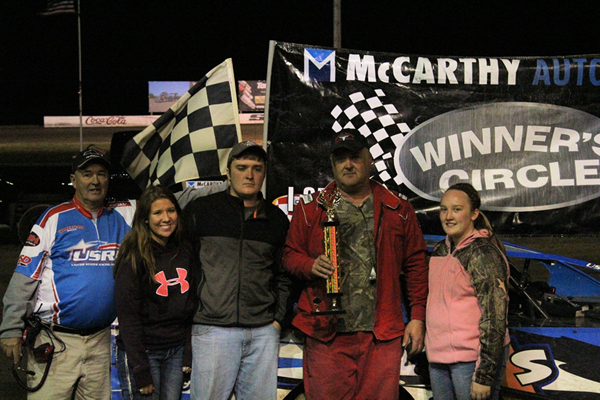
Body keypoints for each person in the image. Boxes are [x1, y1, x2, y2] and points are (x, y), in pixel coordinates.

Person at [282, 129, 429, 400]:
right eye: (341, 159)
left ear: (369, 159)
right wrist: (309, 265)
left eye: (355, 157)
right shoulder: (310, 208)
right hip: (327, 332)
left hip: (381, 333)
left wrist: (418, 316)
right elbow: (289, 255)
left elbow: (416, 265)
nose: (348, 164)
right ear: (332, 165)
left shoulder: (398, 208)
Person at [0, 145, 136, 399]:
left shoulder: (123, 214)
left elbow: (164, 206)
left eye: (101, 174)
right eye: (87, 174)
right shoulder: (53, 218)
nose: (95, 181)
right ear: (74, 180)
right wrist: (11, 329)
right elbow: (24, 278)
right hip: (55, 342)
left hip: (99, 341)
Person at [181, 140, 292, 400]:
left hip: (263, 332)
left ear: (264, 173)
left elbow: (284, 274)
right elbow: (184, 267)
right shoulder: (201, 211)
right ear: (228, 172)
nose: (249, 174)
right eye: (242, 167)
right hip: (212, 330)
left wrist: (277, 320)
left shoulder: (276, 219)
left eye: (257, 168)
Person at [426, 182, 510, 400]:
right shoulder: (439, 251)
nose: (448, 216)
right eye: (444, 209)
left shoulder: (483, 253)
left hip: (471, 362)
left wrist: (484, 375)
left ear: (474, 214)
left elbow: (495, 316)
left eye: (457, 209)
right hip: (438, 360)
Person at [114, 185, 198, 399]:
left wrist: (187, 352)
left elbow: (191, 305)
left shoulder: (186, 249)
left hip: (176, 350)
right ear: (145, 218)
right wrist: (141, 371)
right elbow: (128, 317)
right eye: (157, 212)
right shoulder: (133, 256)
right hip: (145, 353)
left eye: (171, 211)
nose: (166, 218)